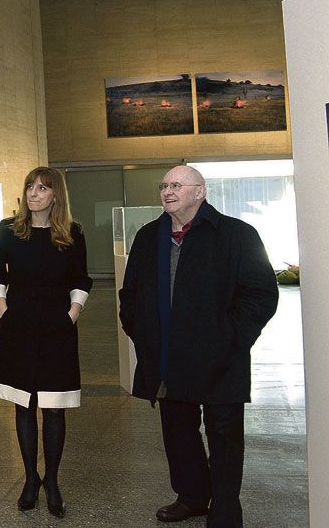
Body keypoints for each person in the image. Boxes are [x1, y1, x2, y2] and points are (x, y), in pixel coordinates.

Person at [119, 165, 278, 526]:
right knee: (178, 432)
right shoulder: (148, 236)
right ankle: (191, 497)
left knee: (224, 437)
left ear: (200, 191)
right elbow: (130, 293)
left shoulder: (236, 234)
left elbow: (261, 294)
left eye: (176, 185)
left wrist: (231, 338)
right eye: (164, 186)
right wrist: (140, 331)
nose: (167, 191)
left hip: (220, 359)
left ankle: (224, 510)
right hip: (167, 357)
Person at [0, 167, 91, 519]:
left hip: (57, 328)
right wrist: (3, 308)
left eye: (43, 188)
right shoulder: (9, 229)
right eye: (30, 186)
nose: (34, 193)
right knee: (23, 403)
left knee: (54, 407)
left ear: (55, 195)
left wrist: (72, 314)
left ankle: (53, 481)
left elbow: (81, 279)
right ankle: (31, 479)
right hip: (18, 326)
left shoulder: (72, 234)